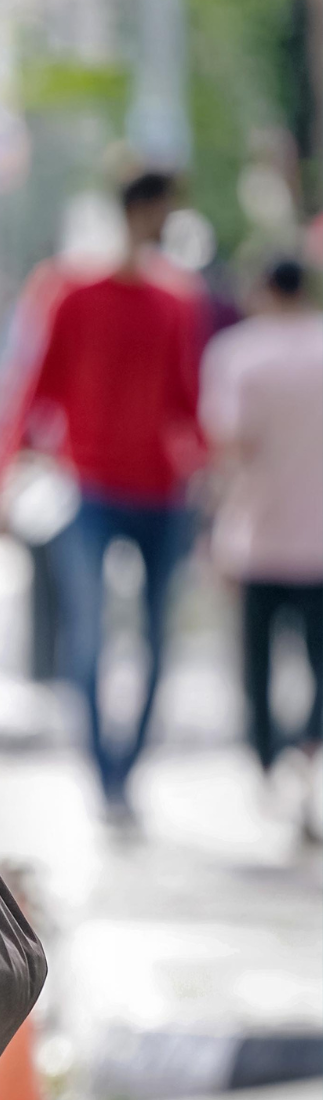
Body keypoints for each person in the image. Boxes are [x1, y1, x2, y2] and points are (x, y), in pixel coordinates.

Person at [6, 170, 205, 813]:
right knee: (88, 635)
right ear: (137, 210)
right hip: (88, 487)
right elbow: (33, 385)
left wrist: (209, 470)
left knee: (155, 639)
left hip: (163, 491)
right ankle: (105, 775)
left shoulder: (177, 300)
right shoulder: (70, 291)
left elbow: (187, 398)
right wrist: (1, 470)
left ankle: (126, 770)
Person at [200, 256, 323, 808]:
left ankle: (269, 760)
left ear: (263, 288)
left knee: (256, 665)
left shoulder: (238, 355)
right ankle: (307, 745)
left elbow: (228, 450)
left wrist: (213, 531)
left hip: (257, 537)